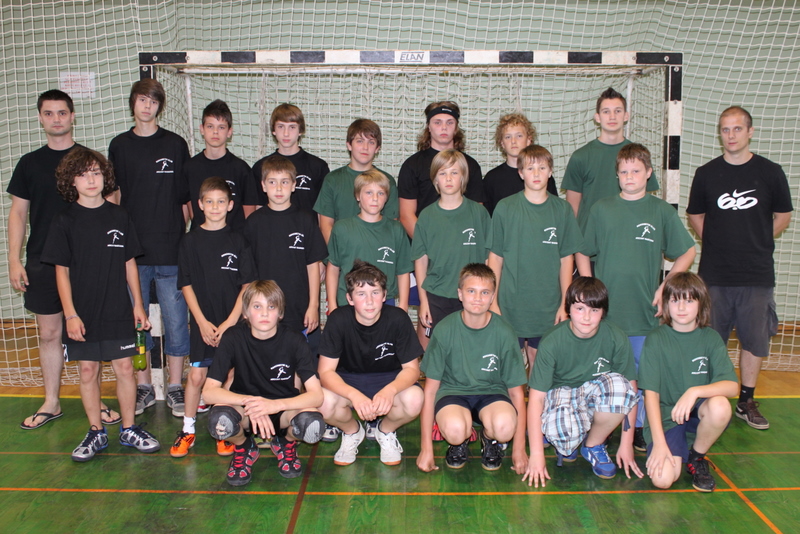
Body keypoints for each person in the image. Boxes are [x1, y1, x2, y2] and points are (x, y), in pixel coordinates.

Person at [8, 90, 120, 430]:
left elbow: (112, 203)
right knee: (48, 333)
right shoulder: (29, 163)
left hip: (86, 266)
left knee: (89, 334)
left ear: (72, 116)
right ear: (40, 118)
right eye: (49, 113)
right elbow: (18, 214)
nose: (56, 119)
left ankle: (95, 400)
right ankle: (52, 401)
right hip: (43, 262)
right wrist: (13, 259)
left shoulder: (89, 162)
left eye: (62, 112)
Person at [42, 147, 159, 461]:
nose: (91, 180)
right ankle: (96, 431)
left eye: (96, 173)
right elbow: (61, 272)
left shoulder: (119, 216)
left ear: (105, 177)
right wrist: (70, 315)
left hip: (118, 309)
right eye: (83, 174)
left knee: (125, 368)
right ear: (72, 181)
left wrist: (138, 305)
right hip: (83, 313)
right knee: (88, 371)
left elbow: (129, 263)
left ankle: (129, 428)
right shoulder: (64, 220)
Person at [576, 143, 696, 450]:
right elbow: (582, 250)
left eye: (636, 171)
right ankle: (598, 426)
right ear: (617, 175)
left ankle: (640, 426)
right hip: (606, 312)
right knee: (602, 370)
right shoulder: (602, 209)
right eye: (624, 171)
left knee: (642, 374)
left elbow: (687, 251)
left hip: (644, 311)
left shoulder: (660, 211)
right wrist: (589, 289)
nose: (630, 176)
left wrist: (666, 285)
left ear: (648, 173)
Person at [687, 106, 792, 430]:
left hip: (756, 275)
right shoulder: (706, 173)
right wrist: (716, 242)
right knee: (710, 340)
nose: (730, 135)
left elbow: (783, 215)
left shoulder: (771, 172)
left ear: (750, 131)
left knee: (753, 341)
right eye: (725, 129)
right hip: (715, 275)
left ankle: (746, 400)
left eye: (736, 129)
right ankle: (707, 400)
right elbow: (695, 215)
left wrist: (757, 241)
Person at [108, 79, 191, 418]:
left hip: (170, 251)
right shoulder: (119, 145)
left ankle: (175, 386)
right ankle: (143, 386)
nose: (147, 106)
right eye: (142, 99)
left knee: (176, 322)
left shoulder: (175, 144)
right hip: (133, 255)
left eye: (153, 101)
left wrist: (186, 241)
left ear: (160, 106)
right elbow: (114, 197)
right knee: (137, 322)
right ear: (133, 103)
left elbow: (185, 201)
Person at [202, 280, 325, 484]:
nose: (265, 313)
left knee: (312, 424)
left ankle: (286, 443)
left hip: (283, 411)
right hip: (246, 411)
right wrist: (253, 403)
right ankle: (244, 447)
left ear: (280, 313)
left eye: (272, 307)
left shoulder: (295, 340)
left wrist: (275, 405)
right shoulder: (233, 337)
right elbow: (208, 392)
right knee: (219, 421)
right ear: (245, 313)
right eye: (257, 307)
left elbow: (317, 395)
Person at [523, 277, 640, 487]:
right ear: (568, 308)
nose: (586, 317)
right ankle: (567, 436)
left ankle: (593, 444)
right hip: (562, 393)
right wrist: (536, 455)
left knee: (623, 389)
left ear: (603, 311)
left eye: (594, 310)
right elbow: (536, 399)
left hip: (594, 393)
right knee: (565, 437)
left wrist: (626, 444)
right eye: (579, 309)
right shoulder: (552, 341)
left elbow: (631, 391)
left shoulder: (616, 337)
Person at [170, 177, 256, 458]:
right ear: (200, 205)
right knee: (197, 376)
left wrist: (230, 321)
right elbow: (185, 284)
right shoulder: (190, 241)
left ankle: (223, 429)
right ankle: (188, 429)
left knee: (229, 376)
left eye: (221, 201)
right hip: (203, 323)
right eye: (210, 201)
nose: (215, 207)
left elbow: (246, 286)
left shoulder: (238, 240)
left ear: (230, 205)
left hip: (232, 322)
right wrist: (201, 322)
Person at [416, 263, 527, 473]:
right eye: (471, 291)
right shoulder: (445, 329)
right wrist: (426, 449)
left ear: (493, 297)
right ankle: (459, 442)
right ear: (460, 294)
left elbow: (516, 393)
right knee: (456, 430)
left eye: (485, 292)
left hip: (492, 393)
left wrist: (519, 450)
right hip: (453, 393)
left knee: (504, 428)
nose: (477, 298)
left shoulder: (504, 332)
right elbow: (430, 391)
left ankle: (489, 438)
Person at [639, 272, 738, 492]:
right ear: (666, 304)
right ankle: (675, 445)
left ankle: (696, 456)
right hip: (667, 417)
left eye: (689, 300)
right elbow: (651, 396)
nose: (681, 307)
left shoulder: (710, 338)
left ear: (701, 304)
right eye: (675, 300)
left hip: (697, 413)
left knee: (720, 405)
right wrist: (660, 444)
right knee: (662, 480)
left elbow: (732, 386)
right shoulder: (656, 339)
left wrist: (694, 391)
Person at [488, 145, 583, 371]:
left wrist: (564, 304)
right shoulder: (505, 208)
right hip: (510, 303)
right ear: (521, 173)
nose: (537, 173)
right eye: (530, 168)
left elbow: (566, 260)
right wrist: (493, 301)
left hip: (547, 304)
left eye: (542, 167)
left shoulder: (562, 210)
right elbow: (495, 257)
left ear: (550, 171)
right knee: (508, 366)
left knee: (540, 363)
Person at [318, 261, 423, 466]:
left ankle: (385, 430)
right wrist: (354, 395)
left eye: (375, 293)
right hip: (348, 380)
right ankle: (352, 431)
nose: (369, 301)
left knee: (414, 399)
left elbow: (412, 370)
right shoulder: (338, 319)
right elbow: (325, 372)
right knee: (323, 402)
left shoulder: (398, 319)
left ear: (384, 295)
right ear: (349, 298)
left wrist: (390, 391)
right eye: (361, 294)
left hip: (389, 379)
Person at [243, 155, 326, 355]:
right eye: (272, 182)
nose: (278, 188)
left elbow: (313, 266)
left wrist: (313, 305)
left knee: (297, 359)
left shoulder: (305, 220)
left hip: (298, 307)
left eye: (284, 182)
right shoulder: (253, 223)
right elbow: (247, 273)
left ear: (294, 185)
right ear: (263, 186)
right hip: (264, 308)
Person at [412, 150, 490, 335]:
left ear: (463, 177)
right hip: (438, 296)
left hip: (473, 295)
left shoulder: (479, 213)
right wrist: (424, 301)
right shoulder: (427, 216)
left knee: (473, 344)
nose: (448, 178)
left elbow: (489, 258)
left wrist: (488, 295)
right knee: (441, 345)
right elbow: (420, 261)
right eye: (442, 173)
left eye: (454, 172)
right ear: (435, 179)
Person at [562, 87, 659, 231]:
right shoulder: (580, 156)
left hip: (628, 233)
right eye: (606, 111)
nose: (612, 116)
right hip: (589, 237)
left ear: (626, 116)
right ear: (597, 117)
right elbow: (572, 206)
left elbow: (646, 201)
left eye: (617, 111)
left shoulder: (639, 156)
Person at [326, 169, 412, 313]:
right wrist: (333, 305)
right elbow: (333, 268)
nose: (375, 198)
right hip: (348, 303)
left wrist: (403, 305)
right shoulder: (341, 228)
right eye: (369, 192)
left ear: (387, 197)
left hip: (385, 303)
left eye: (381, 193)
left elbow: (403, 271)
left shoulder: (396, 229)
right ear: (357, 196)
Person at [397, 101, 486, 238]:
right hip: (425, 243)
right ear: (429, 127)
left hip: (460, 243)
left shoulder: (470, 165)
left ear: (456, 128)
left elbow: (477, 214)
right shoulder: (412, 165)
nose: (444, 128)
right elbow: (406, 215)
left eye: (449, 122)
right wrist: (427, 244)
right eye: (437, 122)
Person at [314, 119, 398, 243]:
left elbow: (391, 226)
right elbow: (326, 225)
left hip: (375, 251)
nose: (365, 147)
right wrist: (337, 252)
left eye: (371, 142)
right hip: (341, 251)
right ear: (349, 145)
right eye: (360, 141)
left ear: (377, 148)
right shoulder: (332, 179)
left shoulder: (387, 181)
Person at [184, 99, 258, 232]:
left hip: (233, 240)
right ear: (202, 129)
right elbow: (189, 205)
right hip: (201, 239)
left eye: (221, 127)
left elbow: (249, 213)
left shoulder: (241, 169)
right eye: (210, 126)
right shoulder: (190, 168)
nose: (215, 132)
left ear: (229, 132)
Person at [251, 103, 330, 213]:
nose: (286, 133)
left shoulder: (318, 166)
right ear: (273, 130)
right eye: (280, 126)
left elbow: (323, 210)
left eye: (292, 127)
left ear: (300, 130)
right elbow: (258, 207)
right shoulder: (260, 166)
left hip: (307, 224)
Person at [483, 113, 557, 216]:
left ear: (528, 140)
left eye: (519, 136)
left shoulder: (541, 176)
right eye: (508, 137)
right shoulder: (492, 178)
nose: (513, 141)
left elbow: (553, 210)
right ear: (502, 143)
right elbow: (488, 216)